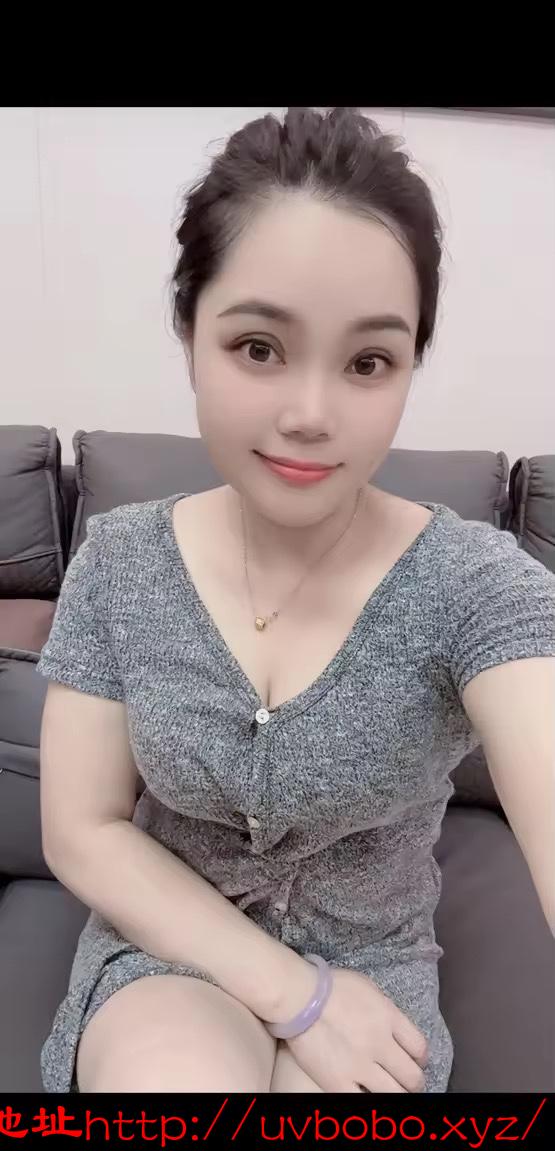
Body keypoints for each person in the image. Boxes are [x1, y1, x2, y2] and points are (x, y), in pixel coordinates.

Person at [37, 107, 555, 1094]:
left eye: (367, 362)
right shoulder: (120, 563)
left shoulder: (476, 586)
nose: (310, 415)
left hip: (378, 989)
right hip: (170, 957)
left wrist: (334, 1002)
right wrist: (297, 995)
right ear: (190, 334)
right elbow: (82, 830)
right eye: (259, 347)